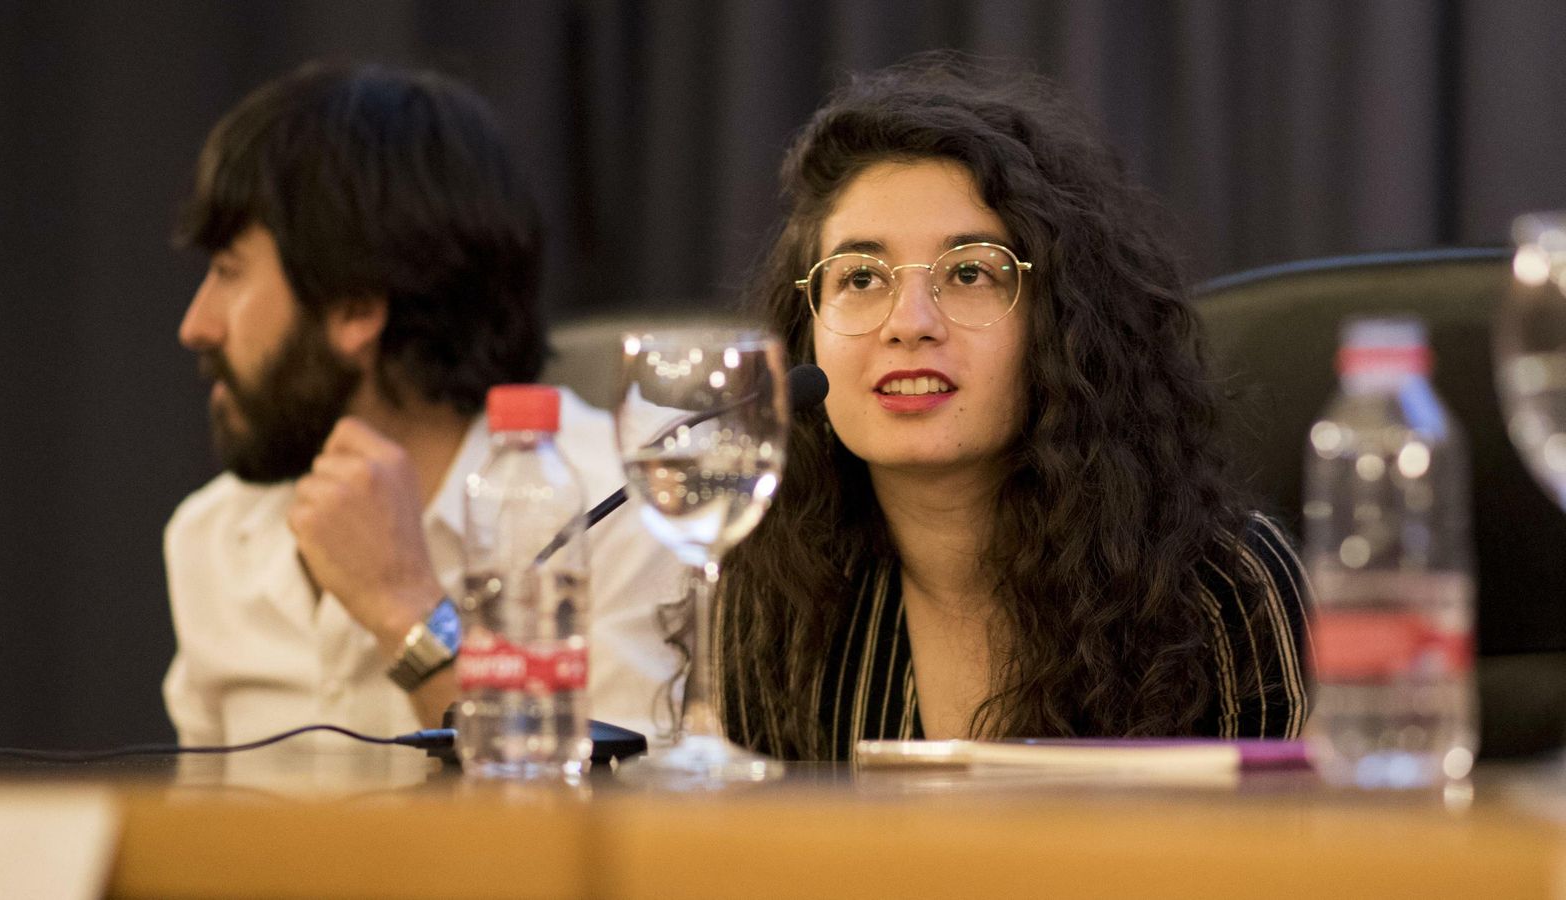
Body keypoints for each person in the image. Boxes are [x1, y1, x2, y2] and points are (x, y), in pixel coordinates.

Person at [713, 56, 1310, 761]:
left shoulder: (1221, 586)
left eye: (969, 273)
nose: (909, 322)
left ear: (1062, 325)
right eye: (861, 277)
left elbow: (1286, 865)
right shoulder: (773, 585)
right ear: (806, 329)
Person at [164, 62, 680, 747]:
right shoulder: (210, 535)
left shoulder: (627, 506)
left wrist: (405, 608)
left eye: (228, 272)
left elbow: (624, 822)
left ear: (354, 307)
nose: (195, 324)